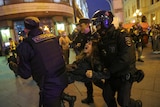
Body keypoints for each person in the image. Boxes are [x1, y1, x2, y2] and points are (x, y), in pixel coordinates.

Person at [86, 10, 143, 107]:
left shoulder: (121, 36)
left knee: (123, 101)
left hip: (124, 75)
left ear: (105, 23)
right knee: (107, 96)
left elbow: (126, 57)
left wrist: (108, 70)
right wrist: (99, 68)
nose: (96, 28)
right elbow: (99, 57)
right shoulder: (101, 40)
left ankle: (136, 104)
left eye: (98, 24)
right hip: (111, 76)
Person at [14, 16, 69, 107]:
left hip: (49, 86)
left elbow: (25, 74)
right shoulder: (52, 38)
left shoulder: (26, 45)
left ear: (26, 29)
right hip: (63, 78)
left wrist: (16, 67)